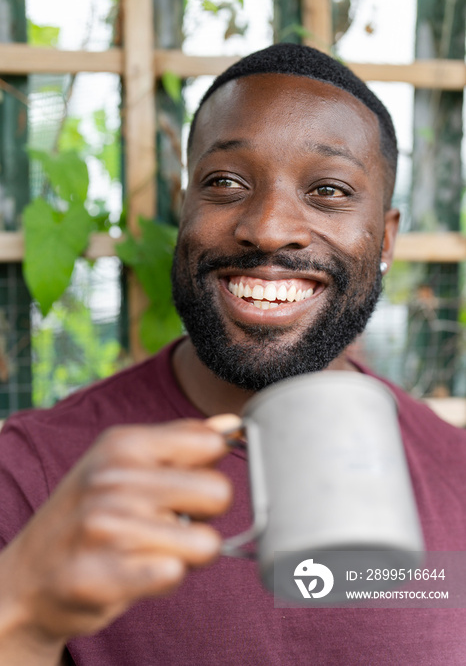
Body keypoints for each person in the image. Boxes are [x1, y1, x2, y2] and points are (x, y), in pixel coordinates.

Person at [0, 43, 465, 666]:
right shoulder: (33, 480)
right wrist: (24, 616)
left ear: (383, 239)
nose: (269, 228)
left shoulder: (457, 473)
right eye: (224, 182)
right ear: (183, 205)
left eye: (327, 190)